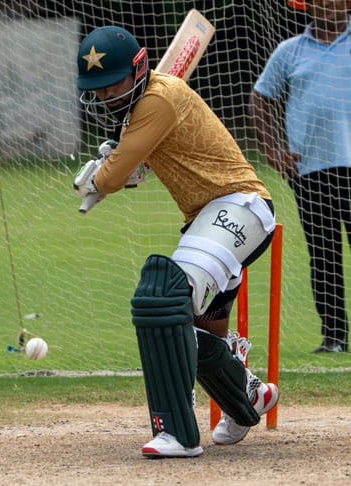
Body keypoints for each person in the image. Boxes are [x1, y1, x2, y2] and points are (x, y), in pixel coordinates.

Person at [73, 26, 280, 458]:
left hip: (238, 206)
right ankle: (248, 397)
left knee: (163, 300)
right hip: (208, 218)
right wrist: (128, 160)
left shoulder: (157, 100)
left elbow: (111, 179)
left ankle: (177, 432)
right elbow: (140, 162)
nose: (107, 94)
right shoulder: (147, 108)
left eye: (113, 83)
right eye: (98, 87)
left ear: (139, 70)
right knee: (201, 335)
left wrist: (101, 173)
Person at [251, 0, 350, 353]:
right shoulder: (289, 52)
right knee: (324, 254)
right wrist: (273, 150)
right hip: (310, 170)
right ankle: (335, 336)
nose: (325, 4)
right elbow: (260, 98)